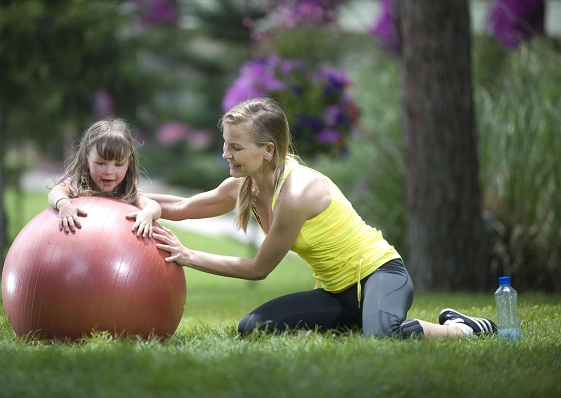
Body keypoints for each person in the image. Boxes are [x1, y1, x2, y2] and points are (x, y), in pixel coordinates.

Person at [149, 98, 496, 339]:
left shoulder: (297, 193)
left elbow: (258, 268)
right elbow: (182, 205)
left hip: (380, 273)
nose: (226, 154)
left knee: (382, 338)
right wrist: (126, 197)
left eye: (236, 148)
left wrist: (189, 256)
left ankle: (460, 328)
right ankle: (356, 326)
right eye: (226, 145)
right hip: (337, 292)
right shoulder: (244, 186)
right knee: (252, 327)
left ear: (268, 150)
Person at [48, 117, 161, 237]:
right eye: (101, 163)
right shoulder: (77, 185)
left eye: (118, 165)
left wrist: (147, 213)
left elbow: (153, 206)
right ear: (87, 160)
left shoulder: (127, 193)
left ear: (128, 164)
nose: (109, 172)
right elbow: (55, 192)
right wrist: (64, 204)